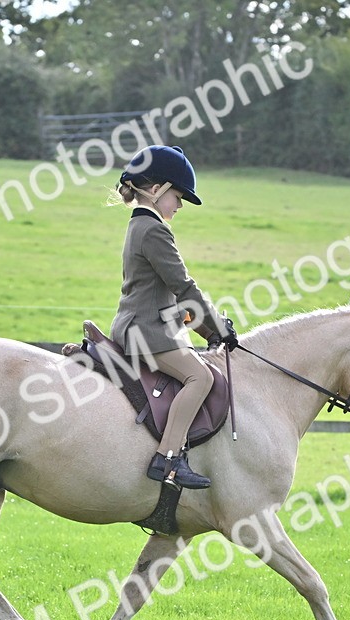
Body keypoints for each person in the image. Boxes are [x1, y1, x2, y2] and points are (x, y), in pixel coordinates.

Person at [109, 145, 237, 490]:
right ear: (156, 190)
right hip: (146, 332)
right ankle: (168, 458)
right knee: (200, 377)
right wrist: (219, 328)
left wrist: (207, 330)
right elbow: (184, 288)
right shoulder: (154, 230)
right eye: (177, 197)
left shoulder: (139, 224)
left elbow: (170, 301)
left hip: (142, 325)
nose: (179, 206)